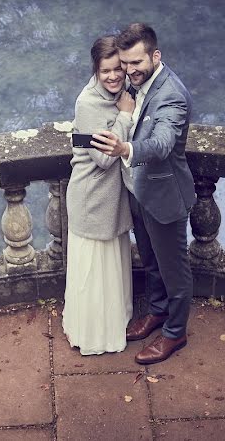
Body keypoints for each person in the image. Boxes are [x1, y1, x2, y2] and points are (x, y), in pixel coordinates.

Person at [95, 23, 196, 365]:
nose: (129, 70)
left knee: (173, 269)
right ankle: (157, 312)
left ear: (156, 55)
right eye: (125, 63)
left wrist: (125, 148)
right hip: (138, 191)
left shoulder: (172, 95)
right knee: (151, 261)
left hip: (165, 195)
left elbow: (164, 143)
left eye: (136, 62)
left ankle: (175, 332)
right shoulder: (137, 85)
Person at [62, 36, 136, 354]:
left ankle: (114, 322)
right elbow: (104, 159)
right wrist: (125, 116)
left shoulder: (119, 93)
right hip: (93, 198)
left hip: (112, 199)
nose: (113, 76)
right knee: (94, 270)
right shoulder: (88, 103)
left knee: (111, 266)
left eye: (118, 68)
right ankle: (93, 334)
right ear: (96, 69)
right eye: (105, 70)